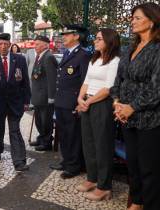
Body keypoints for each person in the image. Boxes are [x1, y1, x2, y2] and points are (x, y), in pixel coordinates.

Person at [110, 3, 160, 210]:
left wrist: (132, 107)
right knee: (133, 166)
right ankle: (136, 203)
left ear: (152, 21)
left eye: (137, 18)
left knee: (149, 169)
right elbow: (118, 80)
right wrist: (116, 103)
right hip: (126, 117)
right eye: (133, 18)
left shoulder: (157, 49)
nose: (133, 21)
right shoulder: (129, 48)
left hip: (149, 119)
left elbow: (157, 87)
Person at [76, 28, 120, 201]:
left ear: (109, 41)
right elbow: (87, 81)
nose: (95, 41)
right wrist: (80, 98)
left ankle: (104, 186)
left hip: (102, 105)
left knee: (102, 145)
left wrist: (89, 101)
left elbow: (108, 88)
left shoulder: (115, 61)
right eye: (95, 38)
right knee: (88, 143)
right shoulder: (94, 59)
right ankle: (92, 178)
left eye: (99, 38)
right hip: (88, 102)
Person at [0, 33, 30, 171]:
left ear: (10, 45)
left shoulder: (19, 60)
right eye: (0, 44)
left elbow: (25, 82)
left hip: (15, 102)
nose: (3, 46)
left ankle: (19, 161)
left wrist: (26, 100)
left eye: (6, 44)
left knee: (14, 130)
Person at [49, 24, 91, 179]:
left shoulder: (83, 55)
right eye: (63, 34)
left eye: (67, 34)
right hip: (61, 101)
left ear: (76, 36)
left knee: (73, 135)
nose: (64, 36)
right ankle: (66, 161)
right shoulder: (67, 53)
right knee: (64, 134)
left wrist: (79, 103)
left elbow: (84, 81)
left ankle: (74, 166)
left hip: (73, 102)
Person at [29, 35, 58, 151]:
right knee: (39, 120)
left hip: (45, 96)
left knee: (46, 121)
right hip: (38, 95)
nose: (35, 47)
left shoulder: (48, 57)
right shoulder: (40, 56)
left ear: (45, 45)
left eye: (37, 44)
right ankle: (41, 138)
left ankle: (46, 142)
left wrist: (51, 97)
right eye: (35, 44)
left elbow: (52, 78)